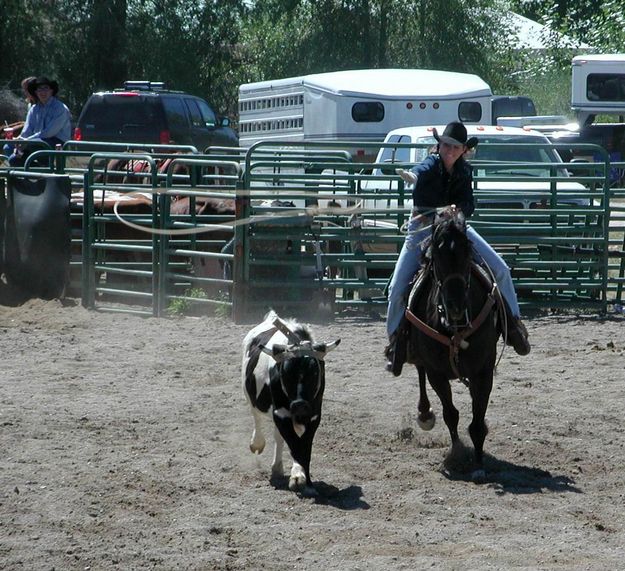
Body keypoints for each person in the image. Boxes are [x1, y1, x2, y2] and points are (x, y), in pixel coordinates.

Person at [385, 121, 530, 373]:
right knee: (397, 287)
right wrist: (413, 176)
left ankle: (514, 326)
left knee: (501, 269)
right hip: (422, 229)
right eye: (446, 145)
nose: (450, 150)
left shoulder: (465, 172)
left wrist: (458, 210)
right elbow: (421, 169)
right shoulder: (430, 166)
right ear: (439, 146)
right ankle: (396, 344)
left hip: (456, 229)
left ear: (464, 149)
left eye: (455, 147)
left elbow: (469, 204)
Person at [8, 76, 71, 167]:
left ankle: (48, 170)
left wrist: (27, 141)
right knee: (12, 157)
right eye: (39, 89)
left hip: (57, 143)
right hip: (36, 142)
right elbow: (27, 130)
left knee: (35, 144)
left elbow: (49, 132)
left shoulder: (60, 108)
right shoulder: (34, 109)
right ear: (36, 92)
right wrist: (20, 141)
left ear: (51, 91)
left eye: (46, 88)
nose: (42, 92)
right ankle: (38, 175)